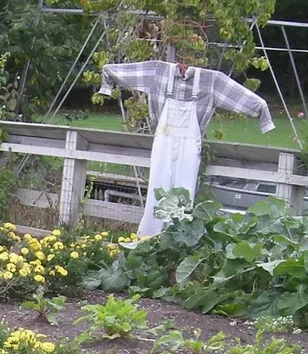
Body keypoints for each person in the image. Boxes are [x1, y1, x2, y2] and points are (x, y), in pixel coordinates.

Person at [99, 58, 274, 236]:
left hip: (190, 144)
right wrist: (107, 81)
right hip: (163, 141)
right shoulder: (157, 72)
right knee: (156, 190)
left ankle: (177, 239)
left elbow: (244, 99)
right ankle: (148, 237)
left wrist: (262, 111)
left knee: (184, 193)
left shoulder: (212, 82)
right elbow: (115, 71)